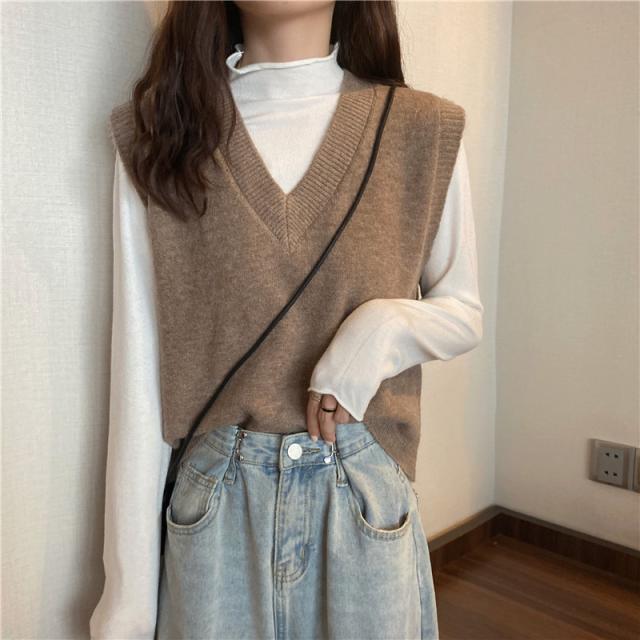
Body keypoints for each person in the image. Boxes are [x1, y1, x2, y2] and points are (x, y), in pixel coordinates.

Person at [90, 1, 483, 638]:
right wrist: (127, 600)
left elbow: (462, 310)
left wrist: (381, 330)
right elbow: (141, 375)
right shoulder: (161, 136)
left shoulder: (422, 130)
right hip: (215, 515)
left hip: (362, 505)